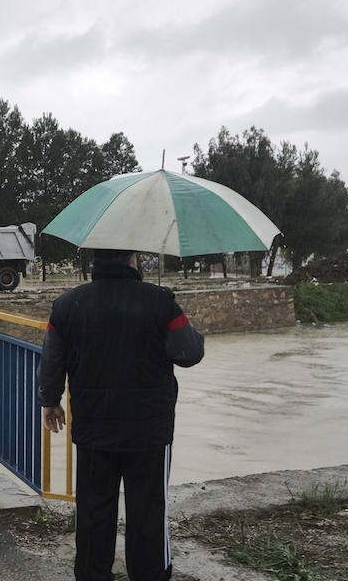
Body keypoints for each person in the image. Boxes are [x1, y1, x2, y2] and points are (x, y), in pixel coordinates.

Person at [38, 249, 204, 581]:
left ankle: (92, 574)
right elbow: (189, 353)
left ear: (95, 261)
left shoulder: (69, 304)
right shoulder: (159, 301)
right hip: (149, 432)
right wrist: (177, 314)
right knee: (148, 512)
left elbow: (52, 358)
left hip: (93, 427)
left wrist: (50, 400)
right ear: (133, 259)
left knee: (93, 511)